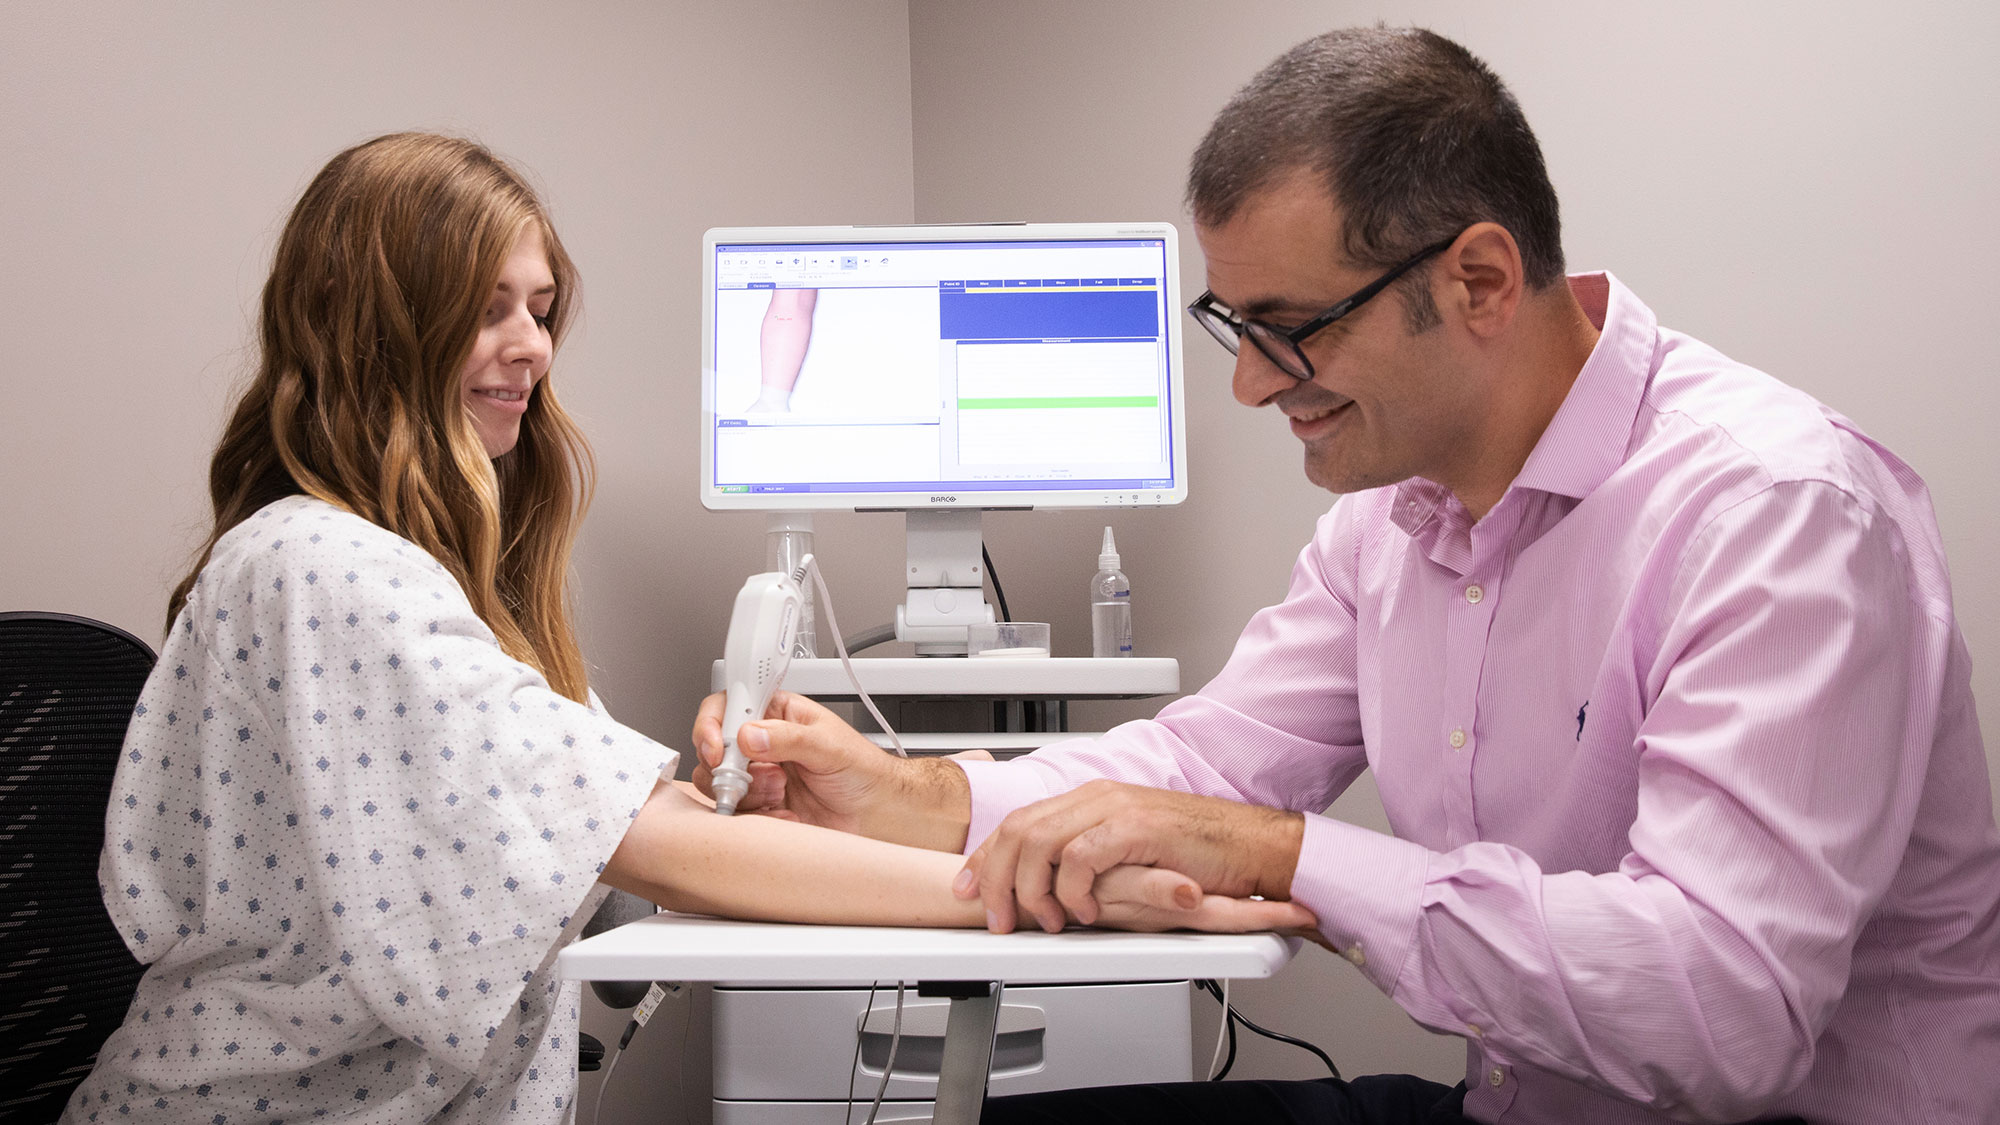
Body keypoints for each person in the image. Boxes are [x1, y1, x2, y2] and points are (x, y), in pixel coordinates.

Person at [695, 27, 2000, 1125]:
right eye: (1232, 328)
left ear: (1479, 279)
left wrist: (1287, 858)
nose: (1253, 385)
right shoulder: (1398, 520)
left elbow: (1723, 1011)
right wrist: (911, 793)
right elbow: (1211, 766)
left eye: (1287, 332)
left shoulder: (1774, 516)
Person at [62, 132, 1310, 1125]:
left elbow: (610, 834)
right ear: (373, 317)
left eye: (542, 308)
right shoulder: (323, 568)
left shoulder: (419, 582)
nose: (532, 351)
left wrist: (762, 805)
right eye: (487, 308)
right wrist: (1057, 899)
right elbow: (645, 846)